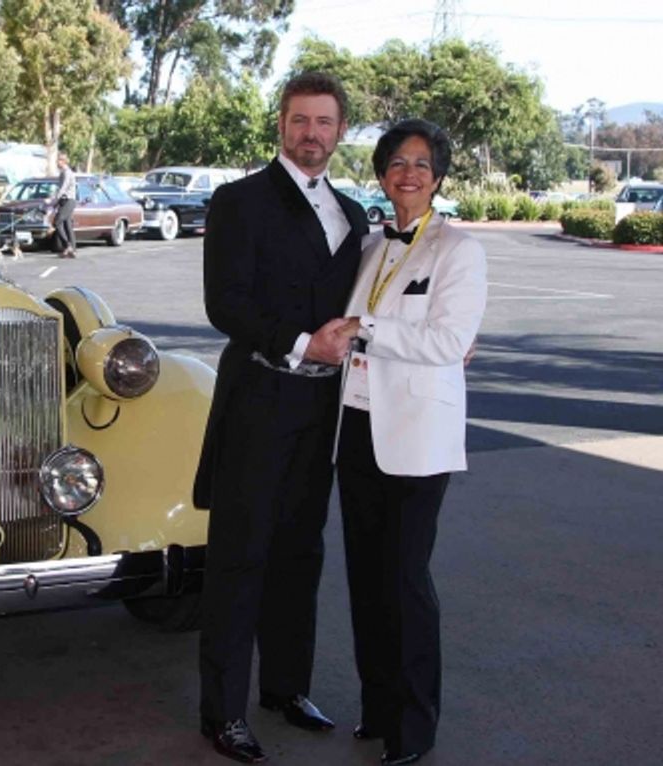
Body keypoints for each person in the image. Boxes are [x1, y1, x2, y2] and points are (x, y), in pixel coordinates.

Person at [193, 71, 370, 764]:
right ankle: (223, 713)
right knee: (241, 559)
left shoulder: (354, 215)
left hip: (324, 409)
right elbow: (224, 304)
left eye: (324, 123)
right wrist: (302, 343)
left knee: (302, 552)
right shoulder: (239, 202)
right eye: (300, 121)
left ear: (340, 131)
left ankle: (286, 689)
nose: (311, 134)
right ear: (281, 125)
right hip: (259, 402)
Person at [335, 119, 487, 766]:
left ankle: (415, 728)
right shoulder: (369, 246)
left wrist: (366, 327)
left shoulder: (458, 250)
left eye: (422, 164)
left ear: (438, 177)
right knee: (366, 579)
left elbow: (450, 343)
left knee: (405, 579)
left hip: (417, 437)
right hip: (357, 427)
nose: (409, 172)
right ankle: (377, 710)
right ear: (381, 173)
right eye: (397, 161)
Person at [49, 152, 77, 258]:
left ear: (63, 161)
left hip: (69, 200)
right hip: (64, 201)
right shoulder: (63, 173)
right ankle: (72, 249)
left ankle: (67, 245)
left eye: (59, 160)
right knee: (67, 224)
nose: (57, 162)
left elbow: (63, 188)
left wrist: (53, 200)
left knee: (57, 222)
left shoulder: (67, 173)